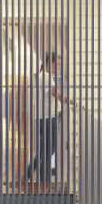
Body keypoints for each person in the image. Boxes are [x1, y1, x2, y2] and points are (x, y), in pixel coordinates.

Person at [21, 50, 70, 188]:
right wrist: (70, 101)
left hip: (39, 119)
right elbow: (56, 94)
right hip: (49, 118)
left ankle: (31, 174)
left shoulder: (36, 76)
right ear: (50, 63)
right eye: (58, 64)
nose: (59, 67)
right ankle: (43, 181)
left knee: (44, 150)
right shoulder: (47, 77)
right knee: (49, 150)